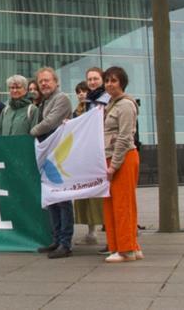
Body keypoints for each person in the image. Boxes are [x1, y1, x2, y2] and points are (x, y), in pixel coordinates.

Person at [30, 67, 74, 259]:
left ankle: (65, 242)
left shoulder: (61, 99)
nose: (44, 84)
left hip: (59, 154)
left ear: (56, 82)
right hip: (47, 154)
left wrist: (31, 132)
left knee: (63, 199)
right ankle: (56, 239)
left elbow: (50, 122)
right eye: (41, 82)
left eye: (47, 80)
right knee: (52, 199)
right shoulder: (44, 101)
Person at [102, 66, 144, 263]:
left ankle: (125, 249)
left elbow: (125, 137)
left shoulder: (125, 105)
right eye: (107, 80)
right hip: (113, 158)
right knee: (113, 204)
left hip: (123, 158)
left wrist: (113, 166)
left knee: (122, 204)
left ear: (122, 83)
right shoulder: (111, 104)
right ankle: (129, 247)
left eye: (114, 81)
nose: (109, 84)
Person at [75, 67, 107, 247]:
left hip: (103, 151)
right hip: (88, 152)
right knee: (89, 193)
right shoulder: (88, 102)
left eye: (96, 78)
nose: (93, 82)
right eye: (90, 79)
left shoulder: (106, 100)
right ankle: (91, 231)